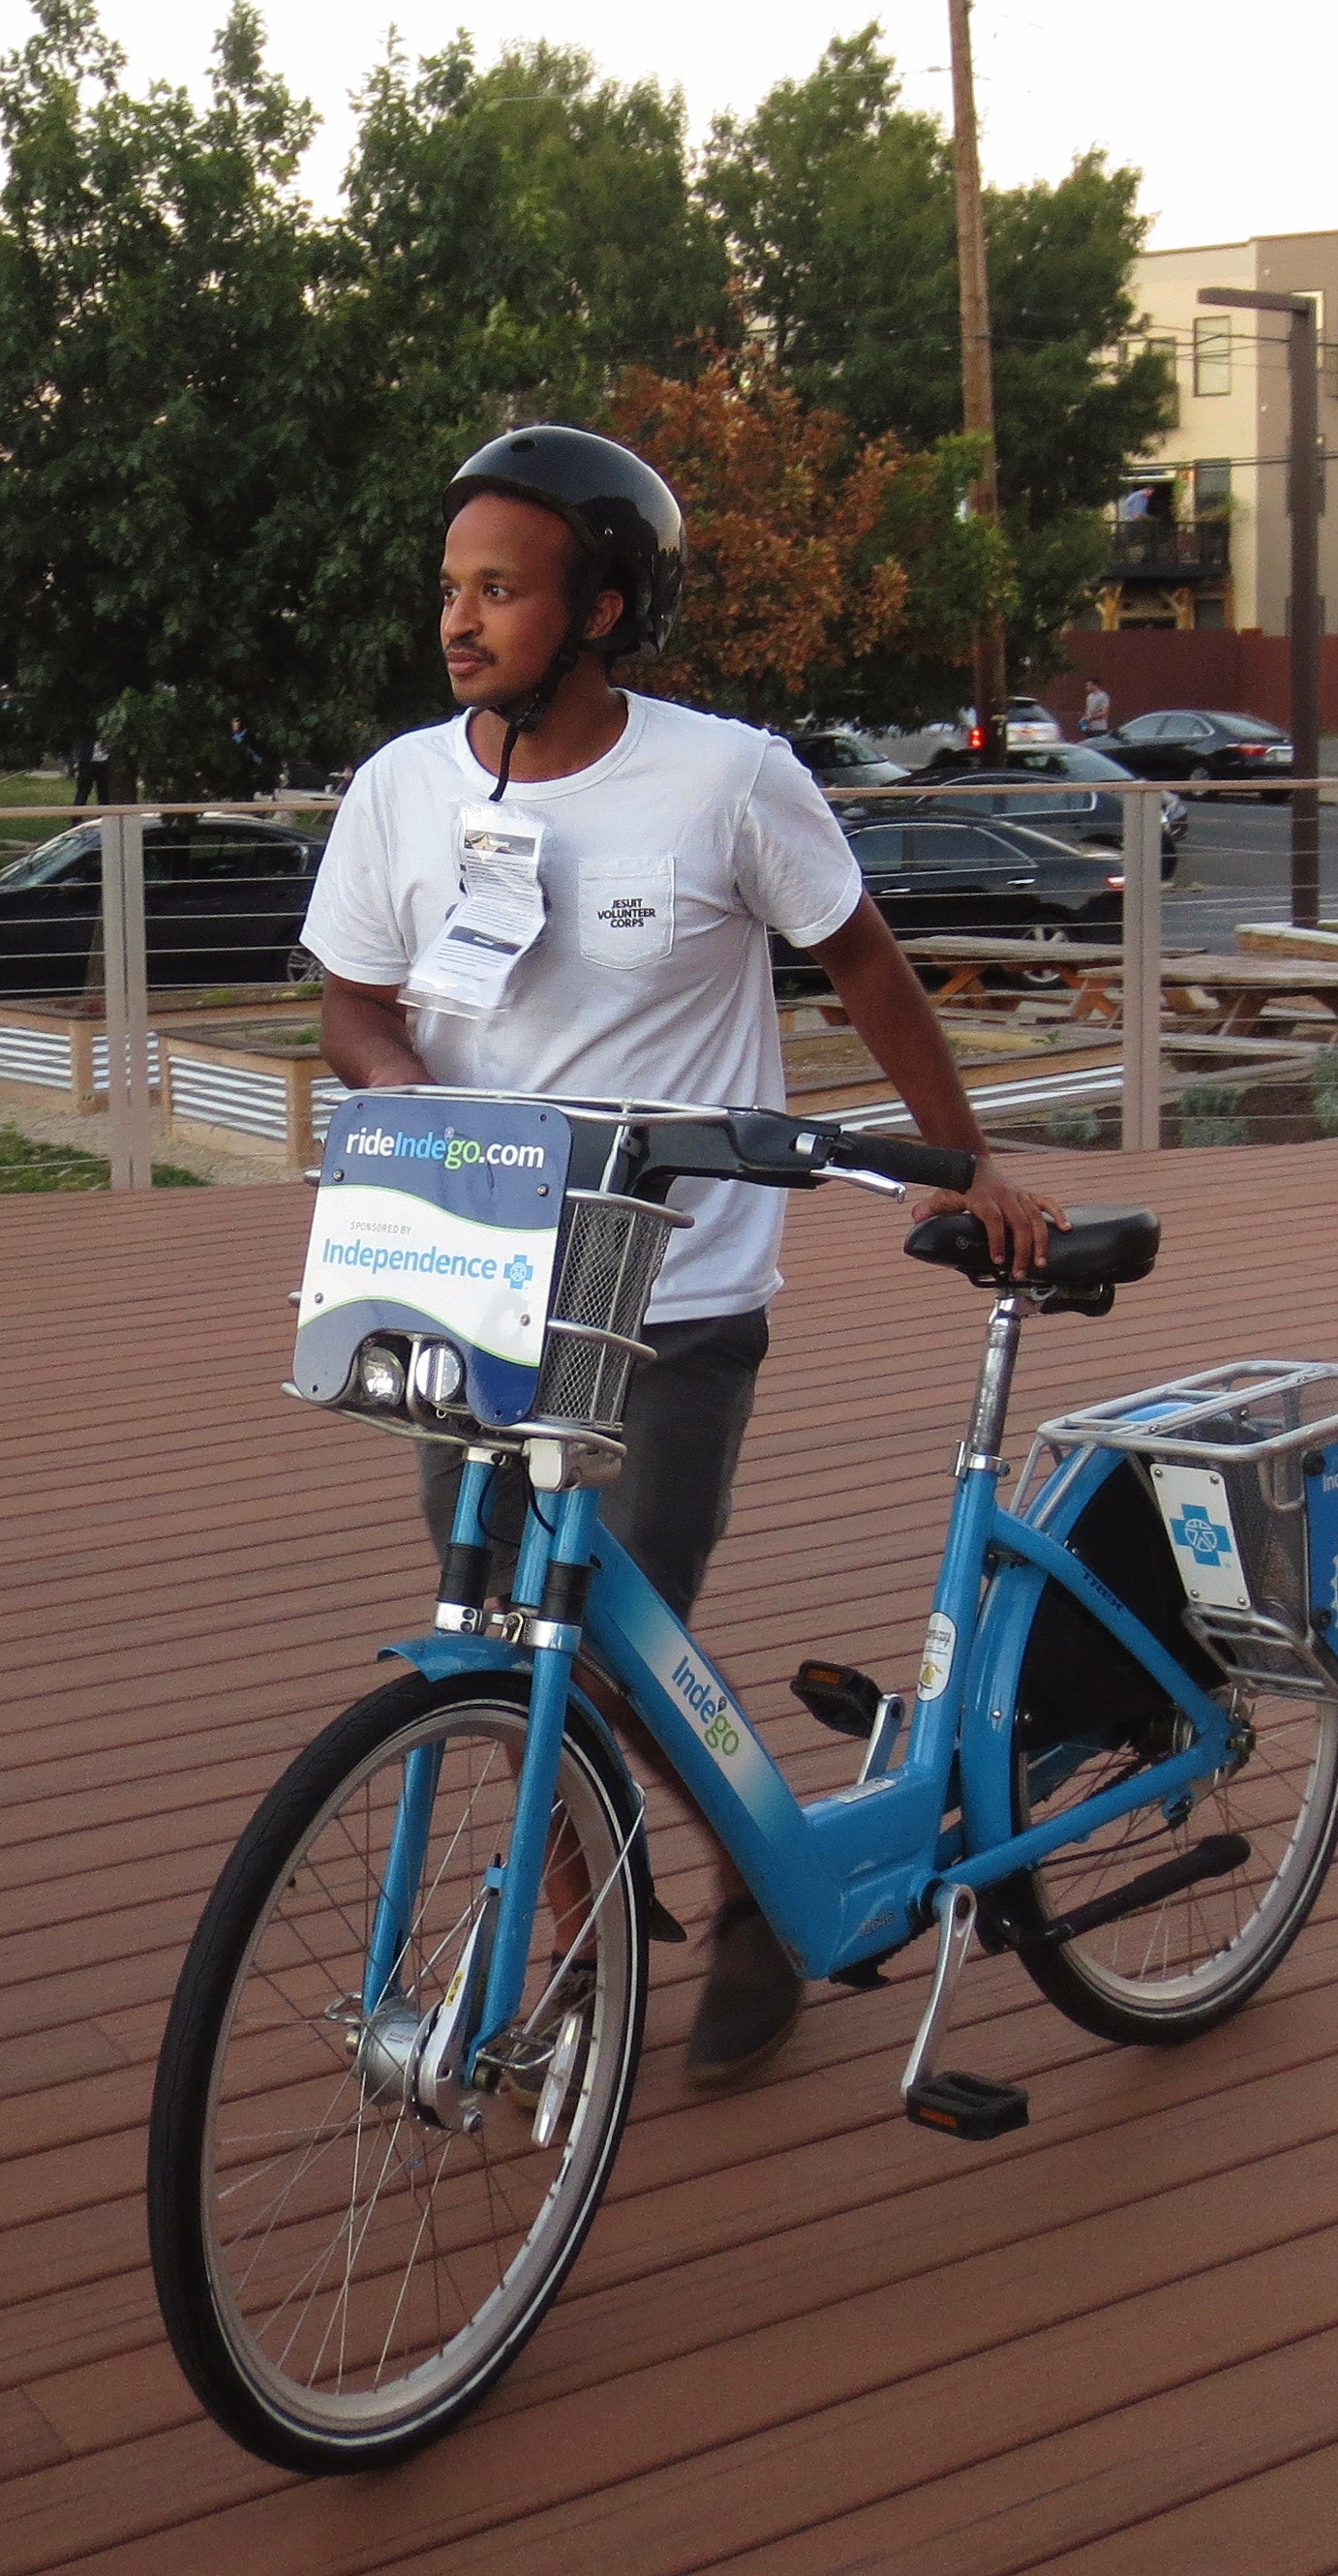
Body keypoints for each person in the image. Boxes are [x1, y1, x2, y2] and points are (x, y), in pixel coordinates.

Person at [302, 425, 1066, 2080]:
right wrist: (408, 1094)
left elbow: (861, 962)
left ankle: (744, 1889)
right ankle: (570, 1927)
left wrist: (961, 1159)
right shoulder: (404, 788)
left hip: (680, 1285)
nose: (461, 620)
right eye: (451, 588)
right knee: (502, 1628)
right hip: (477, 1270)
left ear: (604, 605)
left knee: (619, 1637)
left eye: (500, 589)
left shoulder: (728, 778)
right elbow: (351, 995)